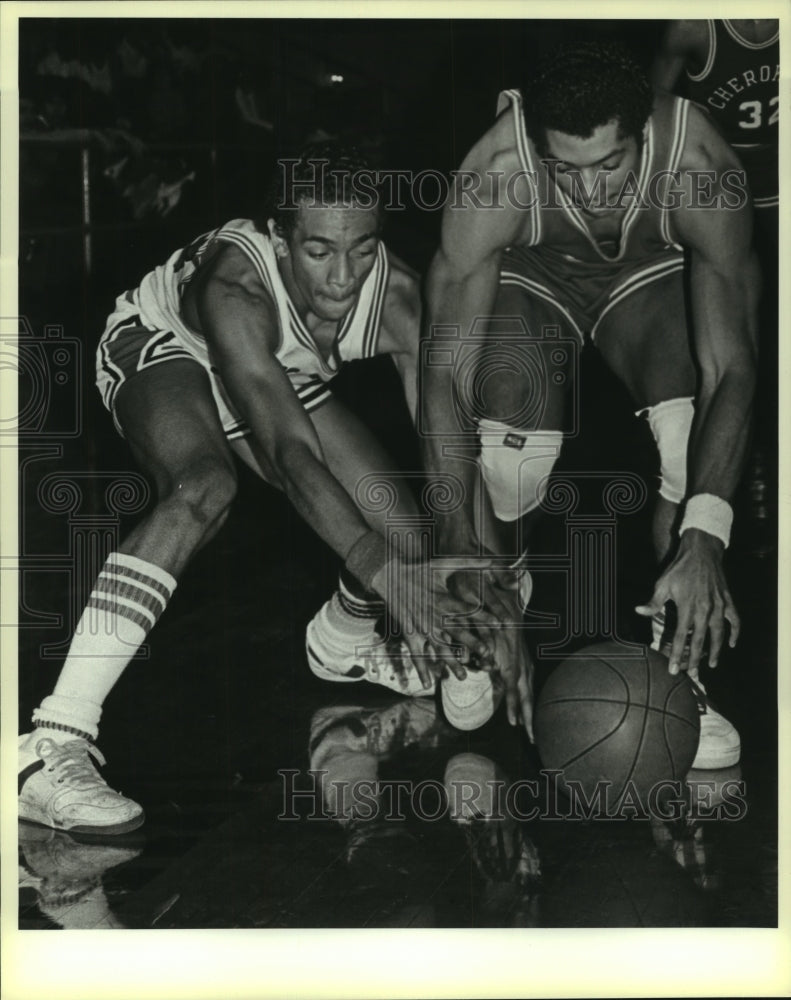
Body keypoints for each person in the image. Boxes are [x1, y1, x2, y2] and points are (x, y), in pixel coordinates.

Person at [18, 141, 485, 836]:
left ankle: (344, 638)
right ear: (279, 237)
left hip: (269, 367)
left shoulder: (400, 300)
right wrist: (389, 575)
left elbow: (446, 436)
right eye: (319, 250)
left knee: (407, 537)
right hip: (166, 345)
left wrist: (464, 567)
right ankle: (51, 742)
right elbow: (290, 458)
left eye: (361, 249)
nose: (342, 276)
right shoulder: (233, 286)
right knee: (205, 486)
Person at [421, 42, 760, 768]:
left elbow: (733, 364)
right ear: (535, 147)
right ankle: (492, 605)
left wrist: (705, 534)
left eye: (611, 165)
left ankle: (679, 665)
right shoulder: (494, 180)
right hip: (535, 275)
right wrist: (459, 546)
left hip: (646, 275)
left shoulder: (700, 170)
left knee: (686, 435)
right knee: (509, 447)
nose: (591, 191)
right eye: (565, 170)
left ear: (644, 132)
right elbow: (443, 376)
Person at [652, 19, 779, 556]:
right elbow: (649, 105)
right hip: (725, 204)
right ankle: (748, 474)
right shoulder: (694, 27)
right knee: (740, 351)